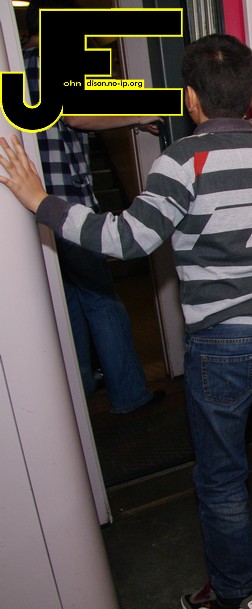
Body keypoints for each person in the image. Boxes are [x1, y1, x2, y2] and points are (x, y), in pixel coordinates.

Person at [0, 33, 252, 609]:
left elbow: (126, 239)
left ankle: (234, 597)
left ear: (190, 98)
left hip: (221, 343)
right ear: (250, 97)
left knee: (221, 477)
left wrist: (41, 201)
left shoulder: (180, 162)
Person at [23, 0, 164, 413]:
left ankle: (81, 384)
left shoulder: (16, 65)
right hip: (66, 198)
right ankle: (129, 395)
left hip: (32, 202)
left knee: (68, 295)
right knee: (101, 295)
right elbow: (77, 115)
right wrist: (137, 115)